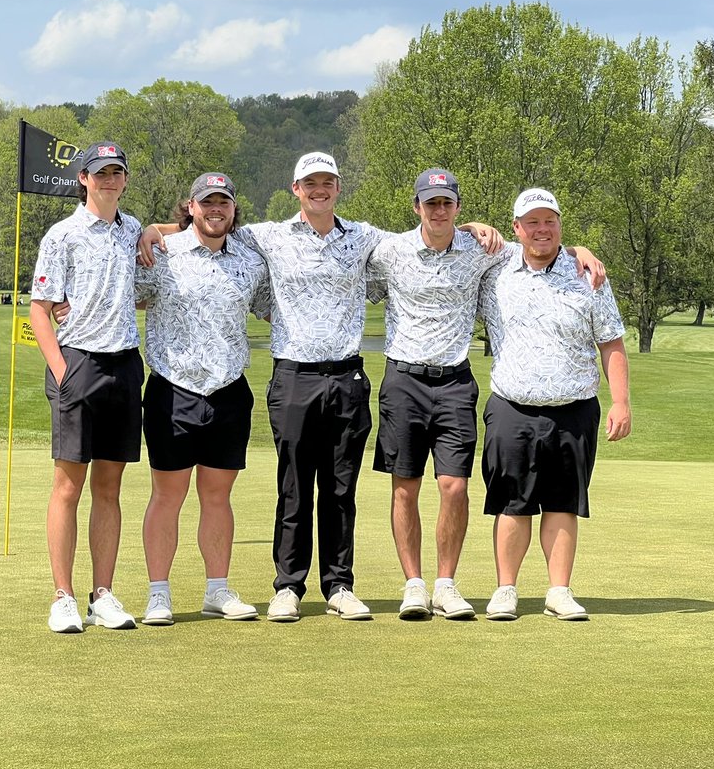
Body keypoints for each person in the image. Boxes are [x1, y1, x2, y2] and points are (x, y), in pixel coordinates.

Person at [140, 152, 503, 622]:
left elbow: (429, 236)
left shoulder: (366, 239)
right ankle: (288, 586)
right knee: (293, 488)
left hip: (347, 377)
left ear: (337, 186)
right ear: (296, 189)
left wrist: (473, 225)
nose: (319, 189)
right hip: (293, 375)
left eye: (327, 181)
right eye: (310, 182)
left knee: (339, 489)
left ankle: (338, 584)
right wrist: (156, 229)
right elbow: (209, 228)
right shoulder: (265, 237)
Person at [367, 169, 605, 621]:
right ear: (416, 206)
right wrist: (185, 227)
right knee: (405, 488)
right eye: (430, 203)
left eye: (447, 203)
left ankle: (446, 585)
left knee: (455, 487)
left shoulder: (483, 251)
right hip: (402, 379)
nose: (439, 210)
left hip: (455, 381)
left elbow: (540, 248)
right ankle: (414, 585)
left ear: (458, 207)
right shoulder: (389, 249)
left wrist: (578, 250)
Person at [478, 187, 631, 622]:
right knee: (512, 502)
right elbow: (456, 235)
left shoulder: (588, 274)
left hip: (574, 407)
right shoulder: (496, 267)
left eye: (549, 221)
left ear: (560, 224)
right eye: (532, 222)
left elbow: (611, 340)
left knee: (563, 503)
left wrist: (621, 401)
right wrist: (473, 226)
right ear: (516, 229)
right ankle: (506, 589)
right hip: (512, 405)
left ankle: (558, 591)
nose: (541, 229)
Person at [133, 173, 270, 626]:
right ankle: (158, 593)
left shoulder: (249, 261)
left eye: (223, 203)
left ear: (233, 209)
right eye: (206, 202)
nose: (216, 209)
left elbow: (273, 305)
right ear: (190, 207)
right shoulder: (161, 254)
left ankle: (217, 589)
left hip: (229, 391)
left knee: (218, 497)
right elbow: (125, 296)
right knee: (167, 496)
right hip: (173, 389)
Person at [29, 141, 143, 634]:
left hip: (124, 367)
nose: (110, 180)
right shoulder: (63, 234)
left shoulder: (132, 228)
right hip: (78, 365)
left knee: (110, 487)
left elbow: (163, 231)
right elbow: (39, 308)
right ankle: (63, 596)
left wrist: (155, 234)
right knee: (68, 486)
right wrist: (61, 371)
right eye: (101, 173)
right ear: (84, 178)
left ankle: (103, 594)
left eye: (117, 172)